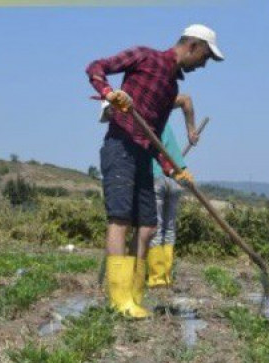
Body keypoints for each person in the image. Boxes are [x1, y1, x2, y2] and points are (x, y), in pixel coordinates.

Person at [86, 24, 223, 319]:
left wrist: (174, 171)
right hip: (120, 146)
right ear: (193, 47)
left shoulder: (171, 87)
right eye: (205, 57)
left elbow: (156, 136)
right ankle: (119, 299)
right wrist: (110, 93)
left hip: (143, 154)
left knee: (148, 227)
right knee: (120, 219)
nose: (203, 64)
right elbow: (96, 67)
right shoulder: (145, 57)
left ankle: (135, 293)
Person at [146, 94, 198, 288]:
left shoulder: (143, 124)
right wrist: (191, 131)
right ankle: (166, 276)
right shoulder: (163, 122)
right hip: (176, 179)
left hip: (155, 177)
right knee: (169, 229)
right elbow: (186, 100)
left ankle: (157, 278)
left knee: (156, 229)